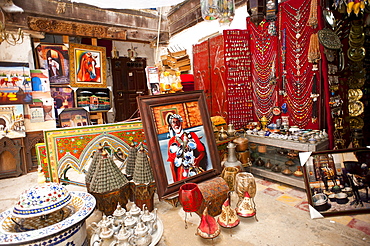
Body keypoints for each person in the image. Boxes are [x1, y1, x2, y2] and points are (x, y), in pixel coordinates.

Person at [167, 114, 206, 182]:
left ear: (181, 122)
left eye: (177, 122)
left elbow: (202, 151)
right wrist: (175, 182)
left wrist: (198, 160)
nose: (176, 124)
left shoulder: (192, 135)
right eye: (173, 122)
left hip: (194, 170)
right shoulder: (171, 141)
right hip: (181, 174)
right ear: (171, 125)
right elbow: (172, 163)